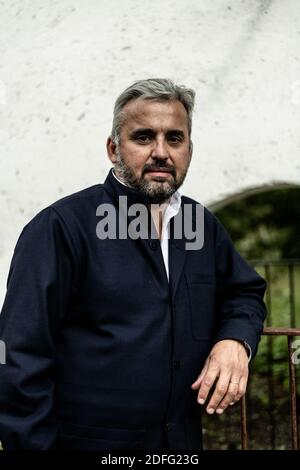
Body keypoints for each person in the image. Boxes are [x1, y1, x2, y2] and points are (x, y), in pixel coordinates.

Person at [0, 78, 266, 450]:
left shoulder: (200, 224)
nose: (161, 152)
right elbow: (18, 353)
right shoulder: (60, 227)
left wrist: (235, 340)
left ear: (189, 148)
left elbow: (245, 292)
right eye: (143, 137)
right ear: (113, 149)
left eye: (175, 138)